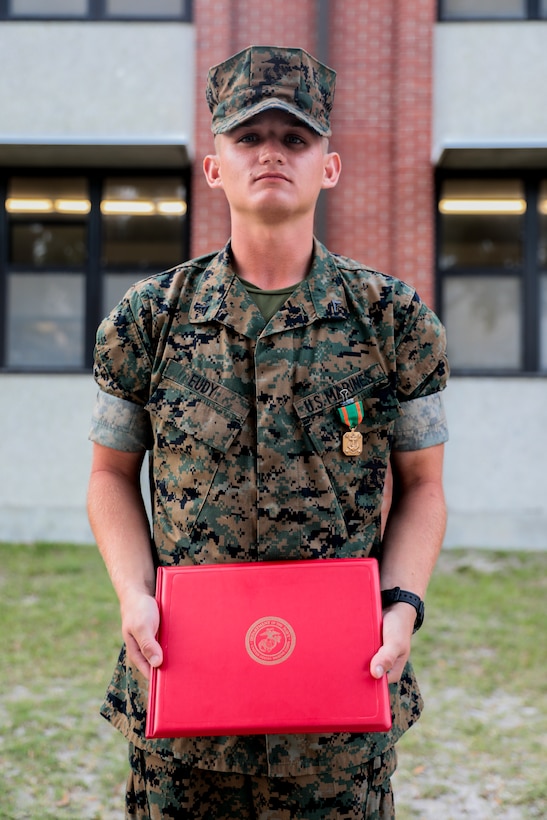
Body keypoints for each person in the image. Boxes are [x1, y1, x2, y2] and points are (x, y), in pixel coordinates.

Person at [87, 45, 449, 819]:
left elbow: (423, 488)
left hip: (336, 707)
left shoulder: (393, 321)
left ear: (331, 166)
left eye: (295, 139)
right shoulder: (147, 320)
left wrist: (403, 604)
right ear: (214, 169)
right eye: (248, 139)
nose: (271, 155)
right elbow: (109, 476)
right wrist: (132, 594)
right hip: (184, 695)